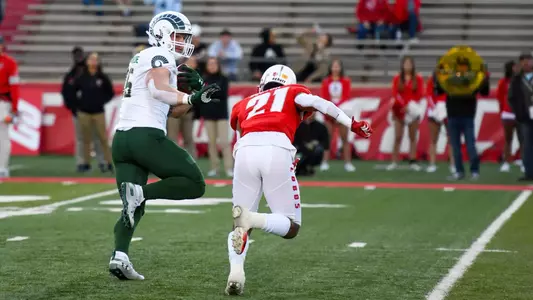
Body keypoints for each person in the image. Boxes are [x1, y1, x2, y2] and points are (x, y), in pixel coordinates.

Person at [225, 64, 373, 295]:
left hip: (244, 152)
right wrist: (351, 123)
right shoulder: (293, 92)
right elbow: (320, 104)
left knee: (239, 226)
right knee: (291, 226)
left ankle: (236, 271)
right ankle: (252, 219)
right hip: (277, 148)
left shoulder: (243, 103)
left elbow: (237, 138)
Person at [108, 11, 220, 280]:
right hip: (143, 136)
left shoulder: (148, 58)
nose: (183, 41)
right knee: (195, 183)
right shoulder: (159, 55)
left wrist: (195, 96)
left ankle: (120, 255)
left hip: (123, 140)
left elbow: (173, 110)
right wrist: (191, 97)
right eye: (179, 35)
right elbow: (158, 89)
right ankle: (141, 193)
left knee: (132, 204)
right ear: (162, 34)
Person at [435, 56, 490, 180]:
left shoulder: (471, 79)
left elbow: (484, 92)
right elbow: (438, 91)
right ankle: (459, 171)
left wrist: (485, 79)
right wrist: (439, 76)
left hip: (467, 115)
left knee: (470, 145)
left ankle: (474, 170)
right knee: (456, 146)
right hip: (454, 115)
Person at [62, 46, 108, 173]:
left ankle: (102, 162)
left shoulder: (90, 73)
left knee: (97, 137)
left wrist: (99, 102)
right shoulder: (73, 74)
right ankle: (83, 162)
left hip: (95, 110)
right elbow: (67, 92)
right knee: (82, 138)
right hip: (81, 111)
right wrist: (74, 108)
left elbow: (106, 89)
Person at [73, 52, 114, 173]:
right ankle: (84, 163)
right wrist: (78, 105)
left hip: (98, 112)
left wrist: (101, 101)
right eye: (91, 59)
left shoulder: (102, 77)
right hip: (84, 112)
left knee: (102, 138)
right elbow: (72, 91)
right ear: (87, 61)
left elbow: (110, 92)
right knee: (85, 139)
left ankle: (106, 162)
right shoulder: (81, 77)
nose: (93, 62)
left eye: (96, 59)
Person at [387, 56, 424, 171]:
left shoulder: (417, 78)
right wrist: (402, 106)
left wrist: (410, 106)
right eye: (405, 63)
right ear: (402, 65)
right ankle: (394, 161)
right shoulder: (397, 78)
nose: (407, 66)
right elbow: (394, 93)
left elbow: (420, 94)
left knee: (412, 137)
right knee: (398, 136)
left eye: (409, 63)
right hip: (400, 110)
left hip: (412, 110)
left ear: (413, 65)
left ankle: (413, 160)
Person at [319, 59, 355, 172]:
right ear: (330, 68)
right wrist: (331, 109)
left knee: (344, 138)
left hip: (342, 111)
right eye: (333, 66)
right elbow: (324, 96)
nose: (335, 68)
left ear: (341, 68)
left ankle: (348, 163)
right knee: (327, 138)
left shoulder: (346, 81)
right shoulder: (326, 81)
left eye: (337, 66)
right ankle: (324, 162)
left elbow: (347, 96)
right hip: (329, 112)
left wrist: (337, 109)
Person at [200, 57, 233, 177]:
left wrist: (208, 92)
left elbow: (222, 93)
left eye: (214, 63)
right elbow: (201, 95)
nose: (212, 66)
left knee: (224, 142)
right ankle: (214, 168)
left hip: (221, 115)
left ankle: (229, 167)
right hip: (208, 115)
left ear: (218, 65)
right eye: (210, 64)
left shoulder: (223, 79)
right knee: (211, 143)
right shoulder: (204, 79)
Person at [508, 53, 533, 181]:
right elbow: (511, 97)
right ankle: (529, 172)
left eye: (528, 60)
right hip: (526, 117)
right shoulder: (517, 79)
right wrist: (519, 113)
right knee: (527, 145)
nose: (526, 63)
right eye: (523, 61)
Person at [167, 56, 197, 158]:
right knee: (172, 138)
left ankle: (192, 162)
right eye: (189, 61)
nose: (191, 64)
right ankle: (172, 161)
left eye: (193, 62)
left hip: (188, 111)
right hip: (174, 109)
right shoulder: (176, 74)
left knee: (188, 138)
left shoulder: (198, 76)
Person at [426, 74, 455, 173]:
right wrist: (434, 109)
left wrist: (448, 107)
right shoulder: (432, 79)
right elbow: (429, 95)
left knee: (451, 138)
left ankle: (453, 164)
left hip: (448, 110)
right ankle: (432, 164)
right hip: (434, 111)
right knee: (433, 139)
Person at [497, 60, 522, 173]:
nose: (517, 69)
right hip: (507, 114)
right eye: (515, 67)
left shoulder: (523, 80)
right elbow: (499, 97)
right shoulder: (503, 82)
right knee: (508, 139)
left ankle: (522, 161)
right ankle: (506, 162)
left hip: (520, 113)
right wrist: (502, 111)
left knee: (523, 139)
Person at [0, 35, 19, 178]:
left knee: (3, 135)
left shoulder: (9, 63)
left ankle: (2, 166)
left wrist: (14, 107)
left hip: (3, 103)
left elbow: (14, 86)